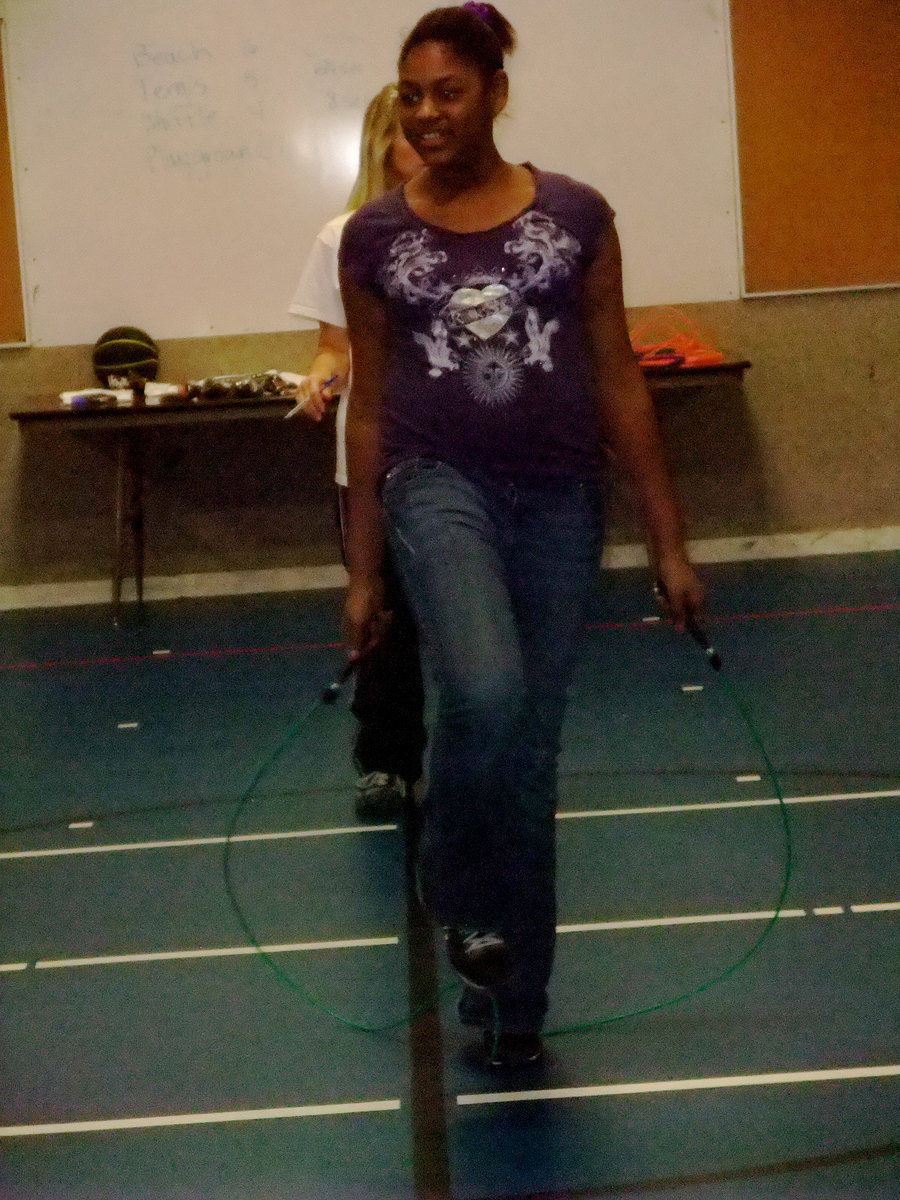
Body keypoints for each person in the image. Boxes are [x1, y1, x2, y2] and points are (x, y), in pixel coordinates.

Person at [339, 3, 705, 1068]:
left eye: (449, 92)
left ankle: (515, 997)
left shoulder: (578, 218)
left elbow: (622, 381)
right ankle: (456, 886)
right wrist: (363, 569)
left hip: (559, 497)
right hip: (433, 484)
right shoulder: (376, 238)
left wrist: (668, 544)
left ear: (496, 92)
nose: (429, 112)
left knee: (529, 751)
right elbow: (367, 406)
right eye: (413, 94)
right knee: (486, 693)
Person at [289, 86, 427, 819]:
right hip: (371, 461)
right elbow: (332, 348)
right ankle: (384, 758)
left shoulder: (472, 224)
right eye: (413, 129)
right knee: (380, 612)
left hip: (457, 457)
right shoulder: (344, 235)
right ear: (384, 144)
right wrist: (320, 381)